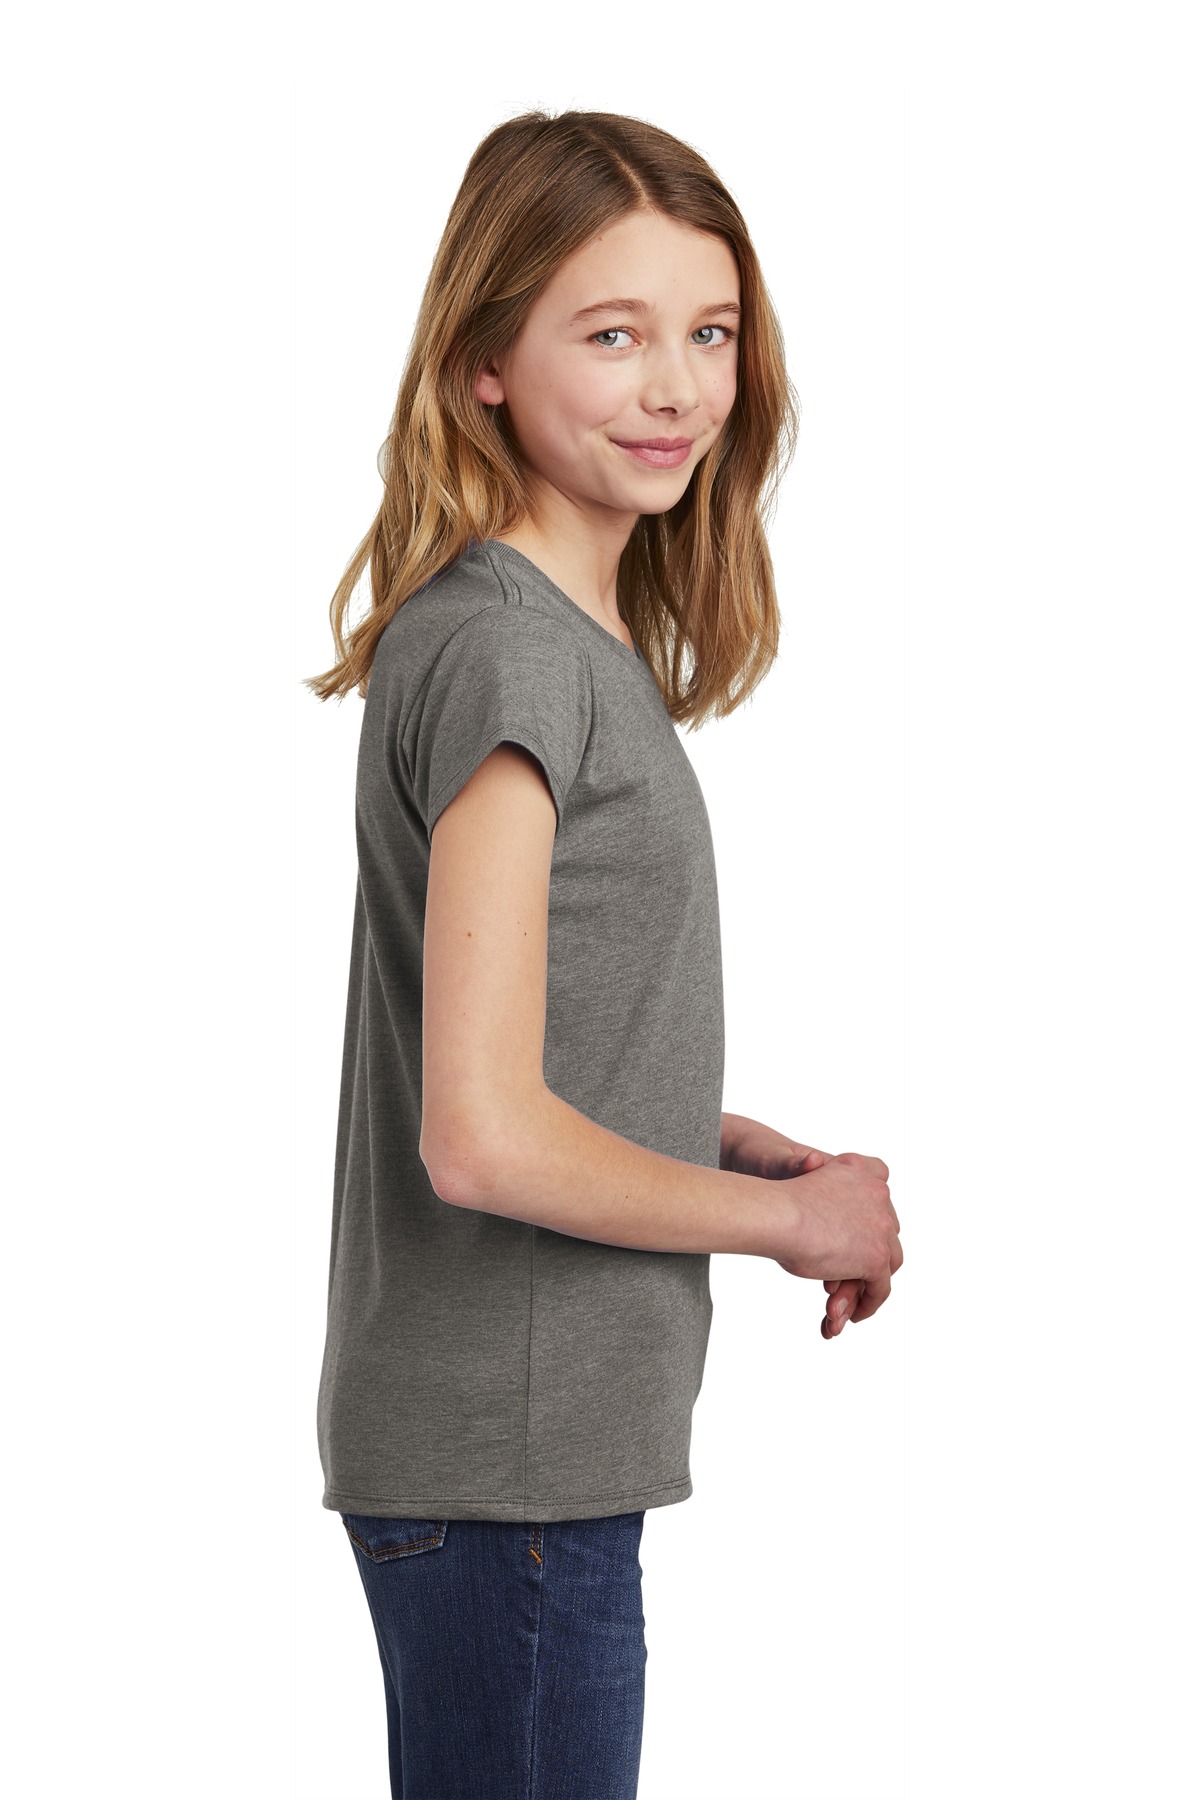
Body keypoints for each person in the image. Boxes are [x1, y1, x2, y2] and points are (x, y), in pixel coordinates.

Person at [305, 108, 902, 1800]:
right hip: (513, 1471)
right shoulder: (518, 660)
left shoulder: (523, 640)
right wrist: (792, 1222)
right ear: (485, 361)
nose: (678, 389)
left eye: (710, 332)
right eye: (614, 333)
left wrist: (711, 1135)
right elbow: (481, 1137)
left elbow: (498, 1057)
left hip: (507, 1463)